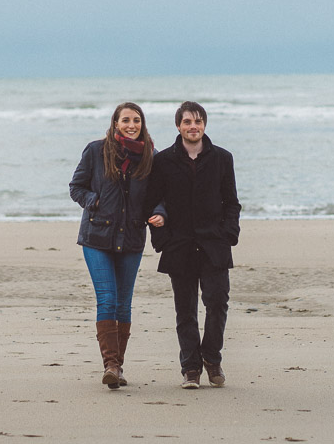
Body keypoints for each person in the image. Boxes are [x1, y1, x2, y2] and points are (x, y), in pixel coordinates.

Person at [144, 101, 241, 389]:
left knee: (217, 303)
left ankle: (212, 358)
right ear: (178, 126)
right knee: (185, 311)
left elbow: (231, 203)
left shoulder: (223, 158)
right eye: (187, 122)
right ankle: (190, 369)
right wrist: (161, 238)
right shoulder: (163, 162)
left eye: (198, 121)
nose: (193, 126)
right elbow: (152, 201)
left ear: (205, 125)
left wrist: (228, 235)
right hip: (180, 245)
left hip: (214, 244)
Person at [70, 102, 165, 389]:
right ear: (115, 124)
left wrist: (161, 212)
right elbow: (76, 187)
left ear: (142, 124)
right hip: (97, 237)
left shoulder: (151, 157)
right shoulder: (95, 151)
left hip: (133, 238)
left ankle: (117, 368)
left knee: (124, 304)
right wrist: (93, 202)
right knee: (108, 300)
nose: (131, 125)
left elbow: (162, 194)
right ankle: (111, 364)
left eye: (136, 120)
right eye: (125, 120)